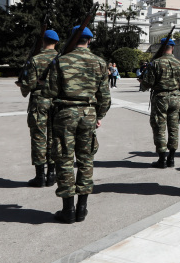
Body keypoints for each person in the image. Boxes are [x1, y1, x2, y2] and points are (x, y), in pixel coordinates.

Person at [46, 27, 111, 224]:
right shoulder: (100, 63)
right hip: (88, 114)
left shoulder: (60, 61)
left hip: (65, 113)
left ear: (73, 40)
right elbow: (105, 97)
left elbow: (51, 91)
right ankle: (82, 208)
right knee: (86, 159)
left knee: (65, 158)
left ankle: (68, 210)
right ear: (89, 41)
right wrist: (98, 115)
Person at [16, 30, 60, 187]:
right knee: (54, 138)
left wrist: (23, 87)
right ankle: (52, 174)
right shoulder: (62, 59)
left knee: (38, 138)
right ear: (56, 42)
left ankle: (40, 176)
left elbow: (28, 84)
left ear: (43, 41)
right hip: (56, 103)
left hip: (39, 103)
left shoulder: (34, 60)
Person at [143, 37, 180, 168]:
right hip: (175, 97)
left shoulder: (155, 63)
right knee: (174, 128)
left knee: (159, 128)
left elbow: (148, 83)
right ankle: (172, 158)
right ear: (173, 48)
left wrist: (142, 83)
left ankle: (162, 159)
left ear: (162, 48)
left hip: (160, 98)